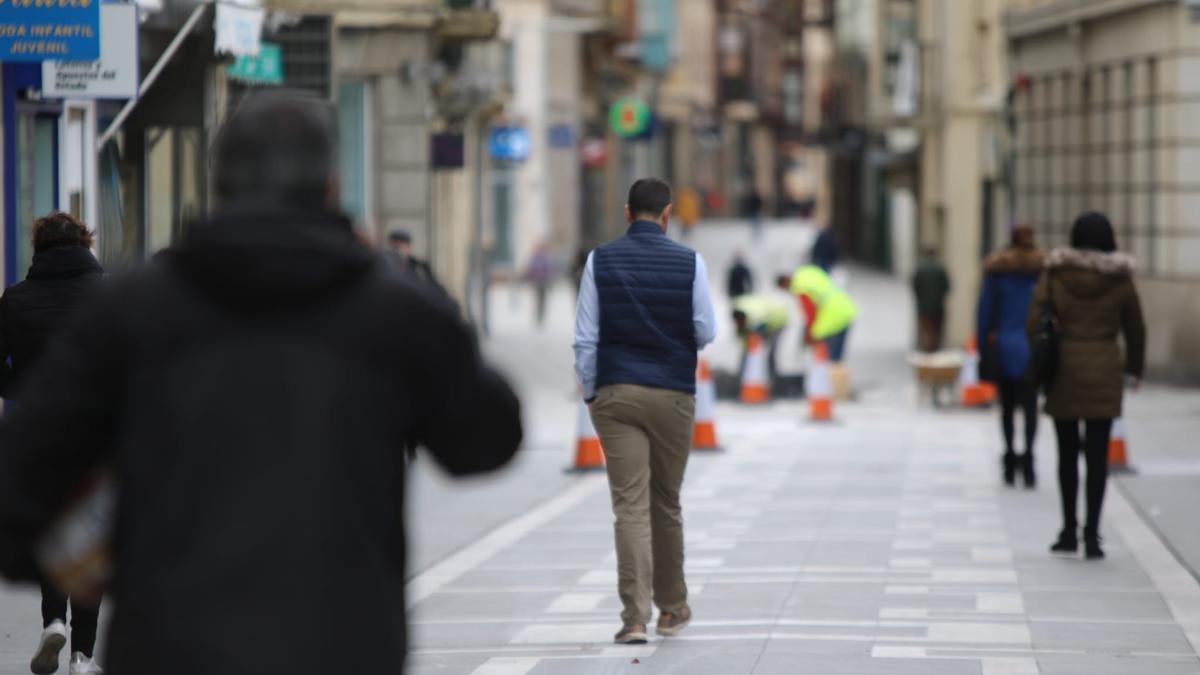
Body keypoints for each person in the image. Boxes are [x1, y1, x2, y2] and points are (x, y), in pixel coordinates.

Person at [0, 90, 523, 675]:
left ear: (217, 193)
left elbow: (20, 486)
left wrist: (102, 564)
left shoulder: (130, 312)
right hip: (342, 643)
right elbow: (490, 436)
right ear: (330, 189)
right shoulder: (392, 312)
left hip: (173, 643)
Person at [574, 178, 717, 645]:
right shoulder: (691, 262)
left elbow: (585, 338)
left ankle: (633, 619)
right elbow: (706, 330)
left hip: (616, 392)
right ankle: (672, 609)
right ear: (669, 214)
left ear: (626, 211)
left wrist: (593, 393)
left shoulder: (599, 260)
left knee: (629, 507)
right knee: (666, 503)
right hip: (673, 393)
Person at [0, 212, 105, 675]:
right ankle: (84, 655)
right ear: (85, 243)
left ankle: (53, 621)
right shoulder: (109, 295)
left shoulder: (16, 300)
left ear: (39, 247)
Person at [1028, 212, 1145, 560]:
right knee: (1097, 457)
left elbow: (1034, 322)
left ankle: (1068, 530)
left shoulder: (1056, 274)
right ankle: (1092, 535)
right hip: (1105, 369)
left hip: (1064, 369)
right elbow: (1136, 329)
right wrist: (1133, 370)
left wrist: (1045, 353)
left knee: (1066, 454)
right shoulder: (1120, 279)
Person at [978, 226, 1043, 488]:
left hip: (1004, 346)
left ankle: (1008, 457)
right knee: (1030, 407)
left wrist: (983, 347)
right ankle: (1028, 459)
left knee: (1006, 407)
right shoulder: (1043, 271)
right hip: (1033, 347)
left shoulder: (997, 271)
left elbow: (985, 313)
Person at [777, 265, 857, 364]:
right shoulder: (806, 272)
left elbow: (811, 313)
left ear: (784, 283)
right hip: (844, 306)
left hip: (833, 318)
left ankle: (836, 377)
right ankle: (839, 376)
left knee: (832, 361)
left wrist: (810, 334)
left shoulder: (800, 287)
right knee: (837, 359)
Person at [732, 294, 790, 382]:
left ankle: (771, 374)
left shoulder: (757, 318)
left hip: (779, 320)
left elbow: (757, 334)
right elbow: (742, 331)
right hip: (766, 316)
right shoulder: (738, 307)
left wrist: (750, 344)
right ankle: (745, 374)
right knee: (751, 346)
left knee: (770, 349)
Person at [912, 248, 951, 352]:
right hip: (938, 306)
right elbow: (946, 286)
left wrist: (920, 299)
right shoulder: (940, 269)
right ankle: (934, 349)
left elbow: (915, 286)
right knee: (937, 330)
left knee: (927, 330)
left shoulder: (920, 269)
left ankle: (928, 349)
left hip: (924, 306)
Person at [524, 243, 557, 327]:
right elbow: (530, 270)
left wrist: (550, 279)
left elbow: (549, 270)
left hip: (543, 282)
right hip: (537, 282)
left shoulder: (545, 258)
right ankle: (538, 316)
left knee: (543, 300)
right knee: (537, 300)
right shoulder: (535, 258)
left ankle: (541, 316)